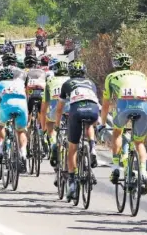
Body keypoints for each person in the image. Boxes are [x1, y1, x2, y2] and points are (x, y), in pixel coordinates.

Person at [100, 53, 147, 194]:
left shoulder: (111, 77)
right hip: (144, 107)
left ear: (116, 65)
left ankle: (115, 168)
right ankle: (143, 174)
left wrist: (103, 124)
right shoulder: (141, 75)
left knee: (117, 132)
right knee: (139, 142)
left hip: (125, 106)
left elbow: (106, 104)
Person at [54, 61, 100, 200]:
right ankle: (92, 147)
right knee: (89, 125)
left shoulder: (67, 84)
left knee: (72, 148)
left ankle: (73, 182)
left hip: (77, 110)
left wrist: (57, 124)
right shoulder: (91, 83)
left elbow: (60, 107)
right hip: (93, 110)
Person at [0, 67, 28, 171]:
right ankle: (23, 154)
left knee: (0, 126)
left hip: (6, 106)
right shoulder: (20, 83)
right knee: (21, 131)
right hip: (22, 107)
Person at [42, 60, 70, 185]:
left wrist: (43, 128)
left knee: (50, 123)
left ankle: (53, 143)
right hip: (71, 110)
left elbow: (44, 106)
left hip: (54, 110)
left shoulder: (50, 80)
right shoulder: (71, 80)